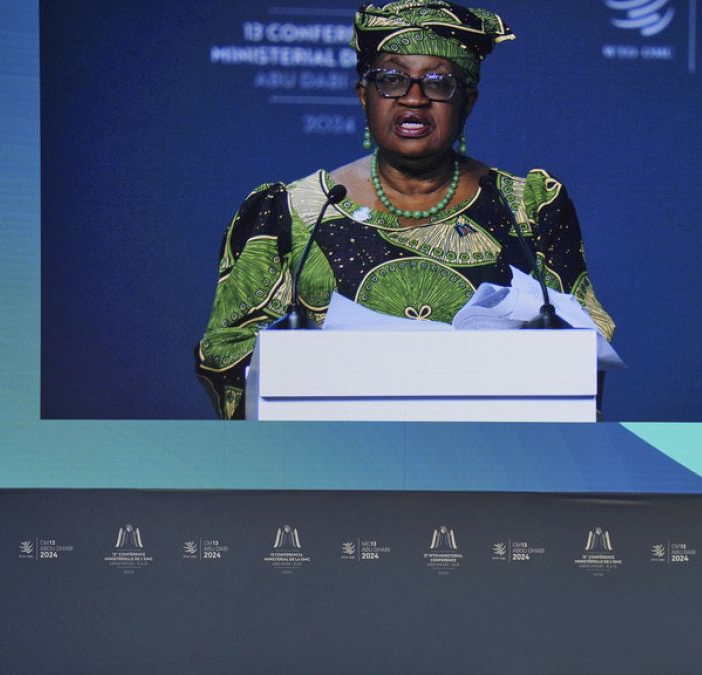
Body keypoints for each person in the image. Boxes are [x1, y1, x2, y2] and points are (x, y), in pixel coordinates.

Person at [195, 1, 615, 419]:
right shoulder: (291, 211)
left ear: (467, 102)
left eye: (438, 83)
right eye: (392, 79)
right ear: (364, 97)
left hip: (494, 466)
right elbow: (227, 356)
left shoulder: (530, 207)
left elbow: (582, 352)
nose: (413, 99)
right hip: (330, 465)